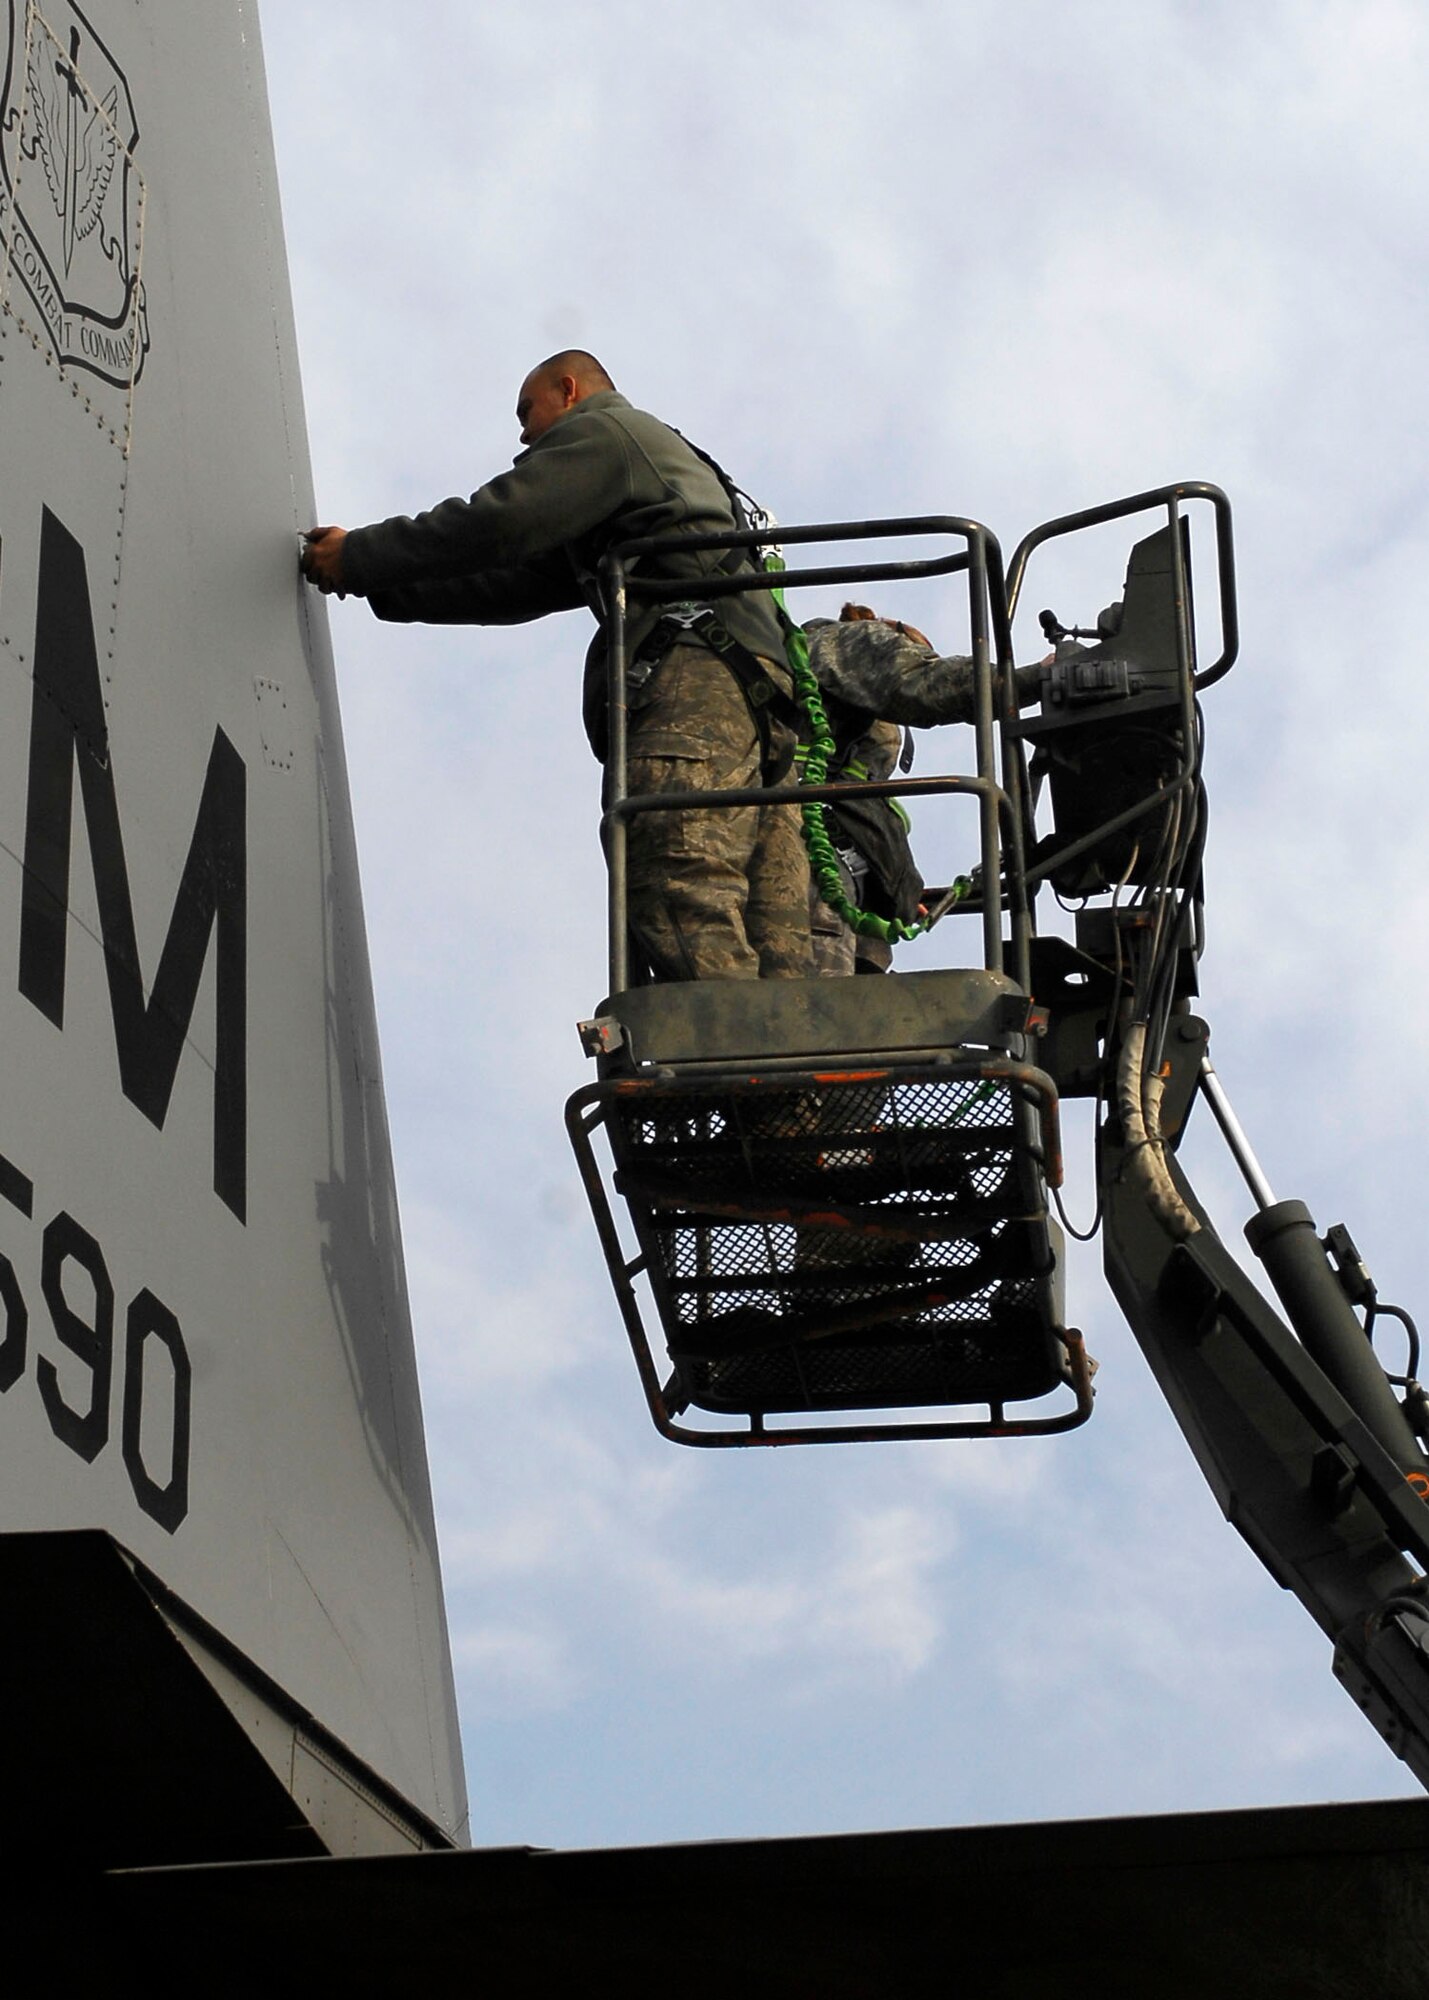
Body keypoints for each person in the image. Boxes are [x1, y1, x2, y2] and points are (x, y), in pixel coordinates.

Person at [301, 350, 811, 983]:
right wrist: (376, 585)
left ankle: (734, 1073)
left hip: (696, 680)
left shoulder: (602, 434)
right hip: (756, 700)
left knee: (678, 882)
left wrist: (360, 553)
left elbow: (498, 523)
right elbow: (513, 583)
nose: (522, 433)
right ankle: (799, 1077)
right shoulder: (643, 475)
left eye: (528, 410)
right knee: (777, 934)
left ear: (568, 391)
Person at [803, 605, 1045, 974]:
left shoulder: (847, 749)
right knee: (813, 1005)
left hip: (829, 871)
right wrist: (1040, 677)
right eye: (913, 651)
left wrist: (896, 889)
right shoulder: (854, 640)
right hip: (806, 856)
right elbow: (928, 683)